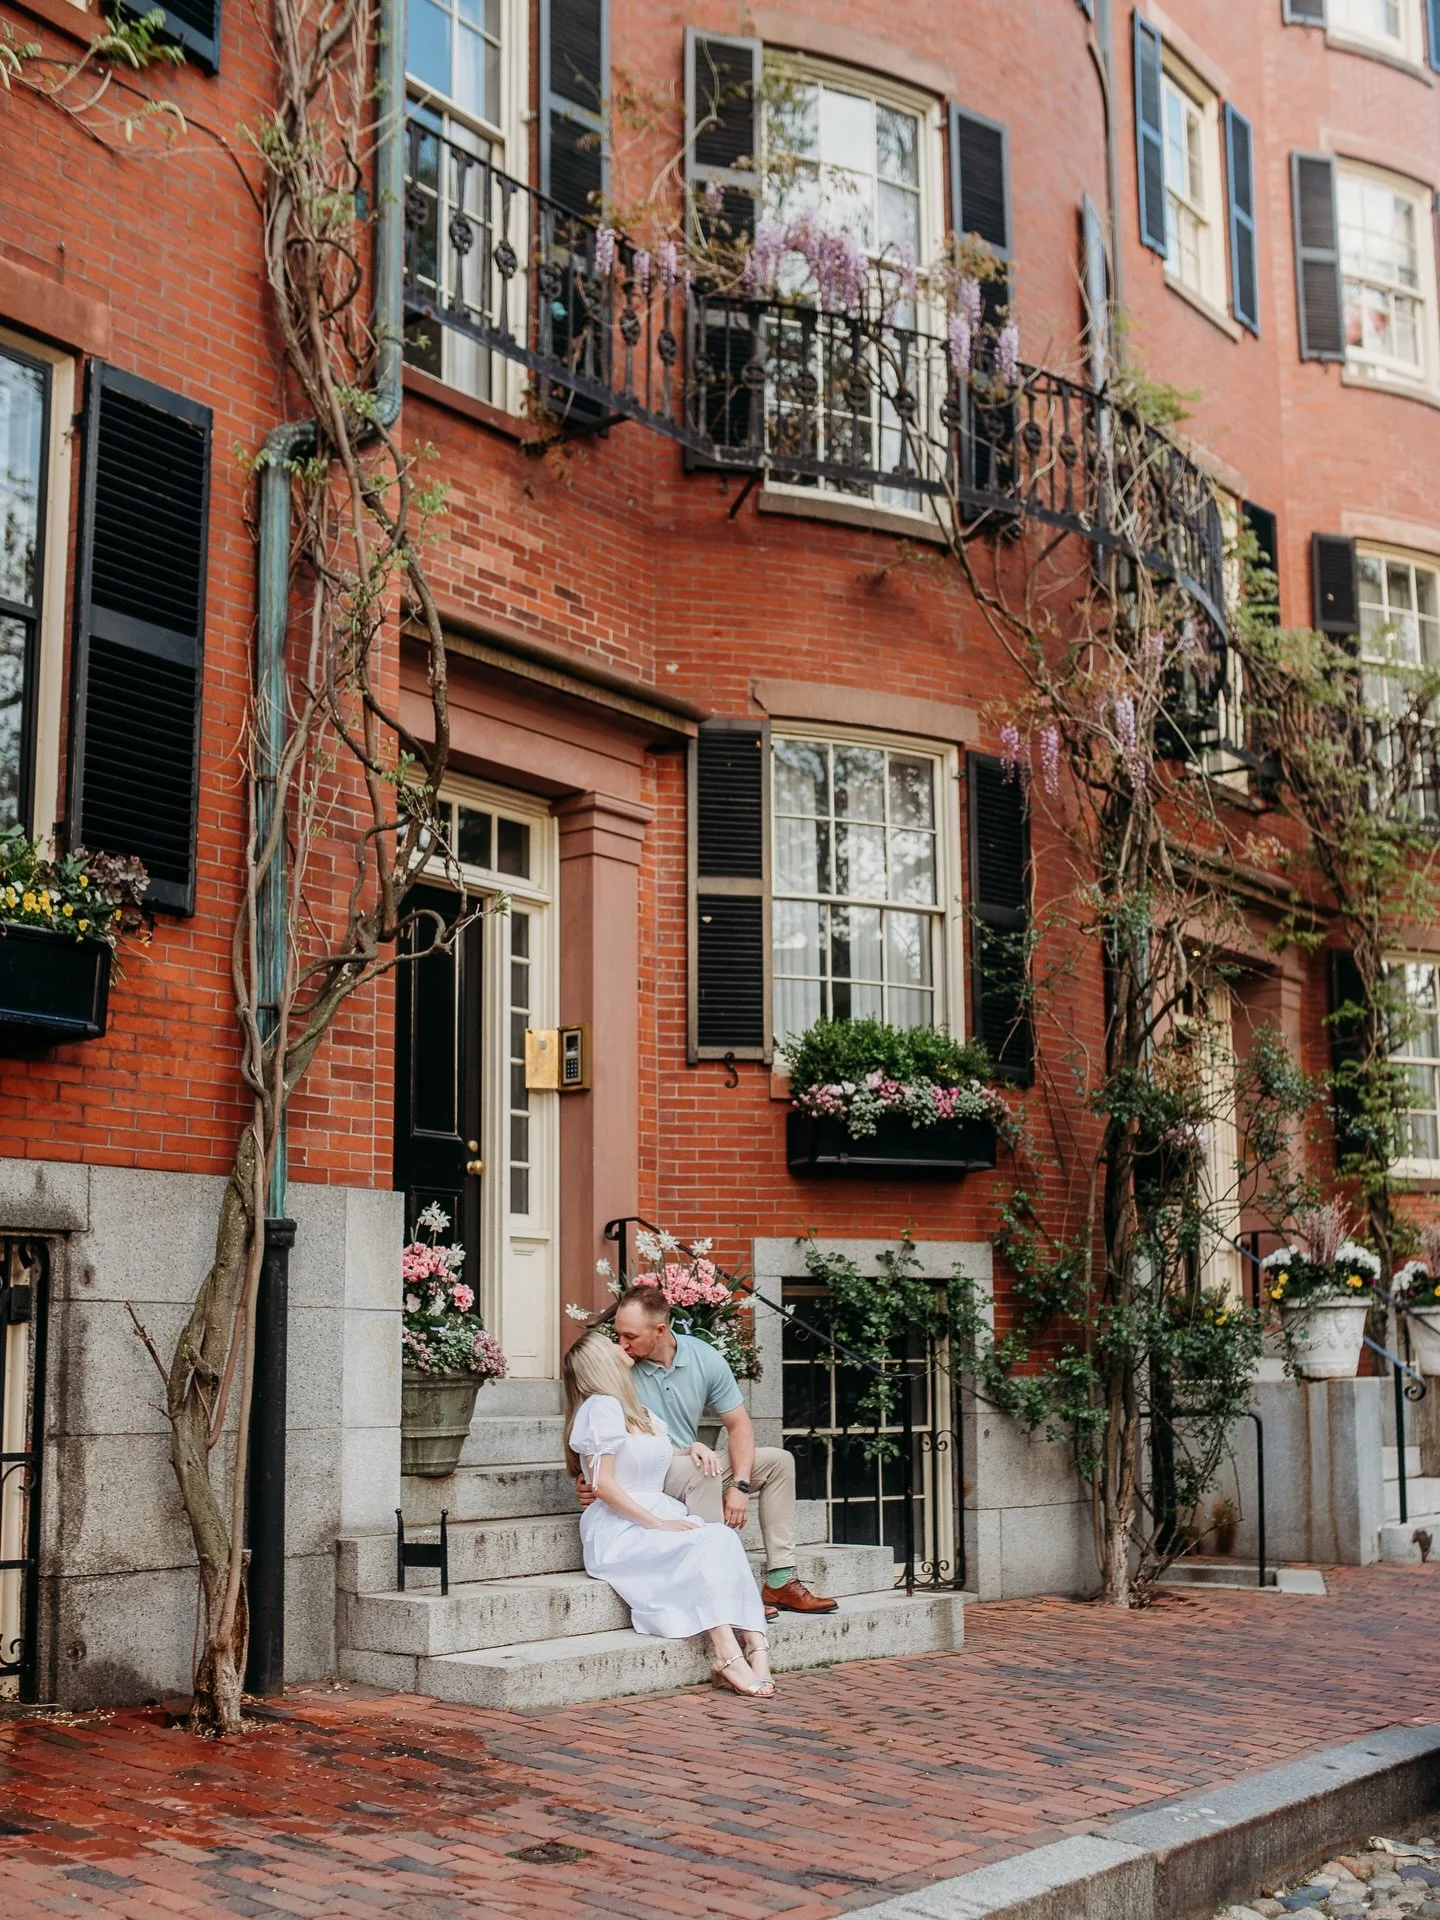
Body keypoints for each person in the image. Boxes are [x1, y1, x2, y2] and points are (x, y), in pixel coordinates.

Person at [562, 1331, 775, 1698]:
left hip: (654, 1511)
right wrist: (657, 1523)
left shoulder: (636, 1409)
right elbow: (605, 1486)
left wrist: (692, 1446)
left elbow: (651, 1455)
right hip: (620, 1527)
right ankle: (726, 1653)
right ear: (600, 1362)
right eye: (613, 1344)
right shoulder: (599, 1408)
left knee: (721, 1536)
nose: (622, 1346)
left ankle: (757, 1646)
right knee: (700, 1545)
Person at [609, 1284, 837, 1621]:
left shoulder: (703, 1357)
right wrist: (591, 1479)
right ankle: (728, 1589)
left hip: (693, 1462)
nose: (621, 1344)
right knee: (704, 1468)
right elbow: (592, 1428)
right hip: (651, 1473)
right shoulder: (617, 1366)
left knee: (779, 1462)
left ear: (660, 1330)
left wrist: (741, 1486)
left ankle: (780, 1580)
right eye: (618, 1335)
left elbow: (740, 1426)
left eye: (629, 1336)